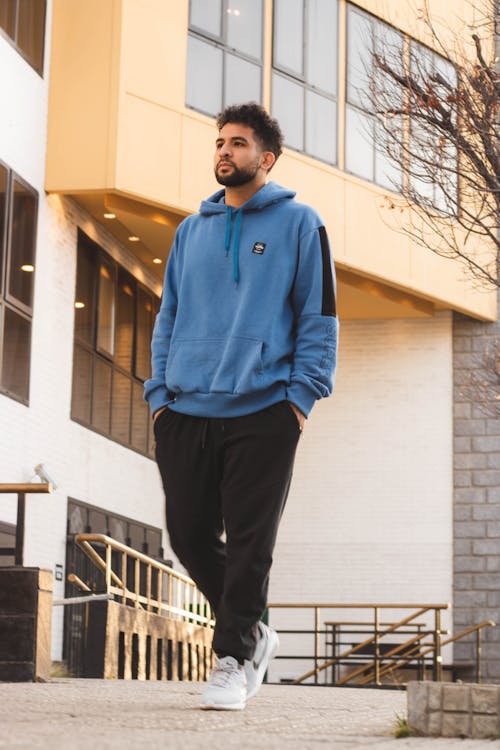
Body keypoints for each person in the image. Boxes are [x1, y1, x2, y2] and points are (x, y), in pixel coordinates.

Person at [144, 102, 338, 710]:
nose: (224, 151)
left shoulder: (300, 223)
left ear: (267, 157)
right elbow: (167, 315)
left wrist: (300, 398)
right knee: (188, 533)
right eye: (220, 142)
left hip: (264, 409)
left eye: (239, 143)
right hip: (186, 407)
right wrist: (159, 396)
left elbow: (318, 315)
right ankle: (254, 630)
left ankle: (231, 658)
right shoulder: (190, 230)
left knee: (252, 541)